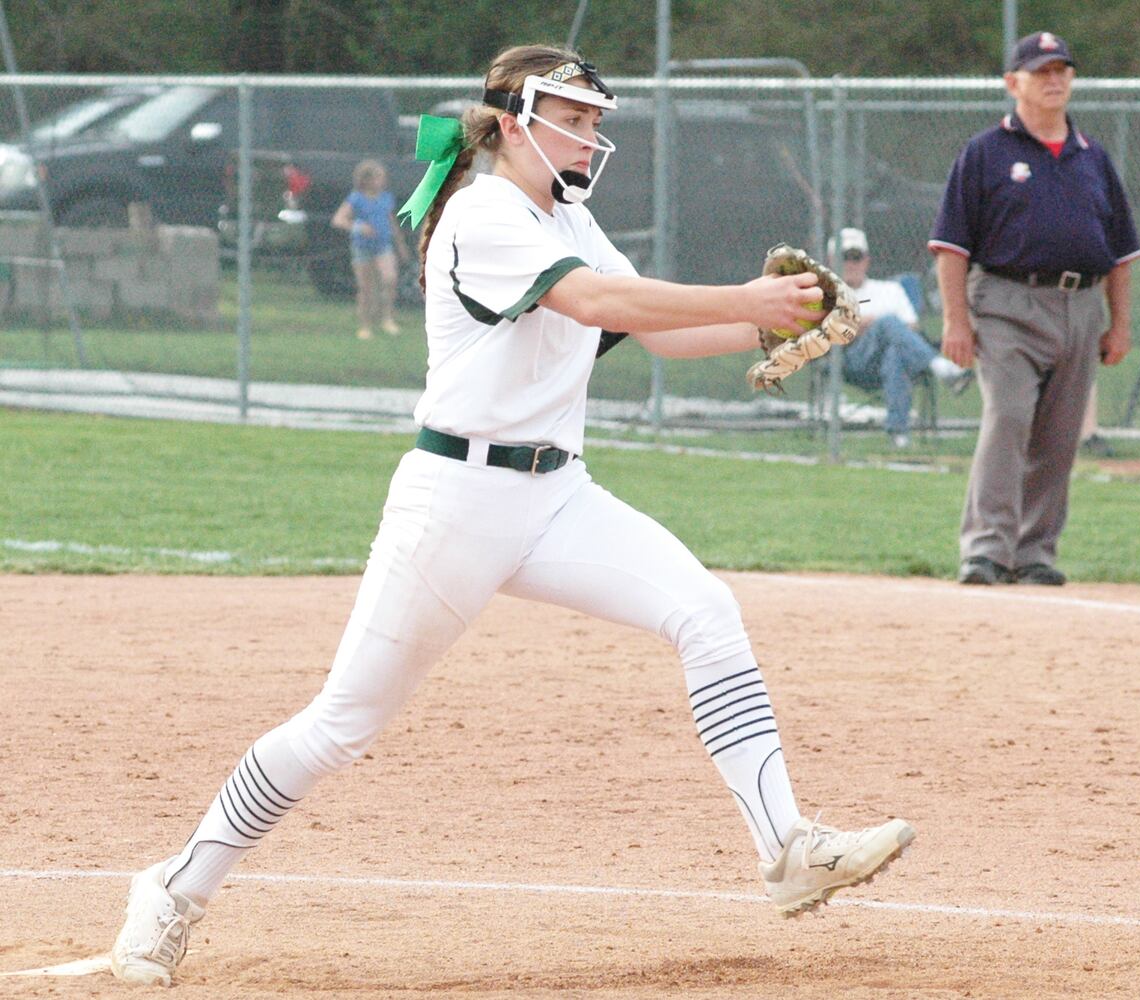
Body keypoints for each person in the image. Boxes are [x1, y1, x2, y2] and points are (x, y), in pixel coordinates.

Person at [110, 44, 914, 987]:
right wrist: (747, 296)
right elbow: (596, 297)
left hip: (555, 493)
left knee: (705, 611)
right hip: (455, 500)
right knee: (340, 724)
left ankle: (788, 849)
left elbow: (648, 326)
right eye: (572, 115)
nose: (589, 134)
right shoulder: (483, 212)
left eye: (594, 119)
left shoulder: (565, 210)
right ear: (512, 118)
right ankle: (171, 889)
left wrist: (780, 325)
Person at [929, 31, 1140, 587]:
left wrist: (1120, 323)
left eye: (1061, 70)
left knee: (1060, 434)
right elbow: (951, 248)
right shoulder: (986, 152)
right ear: (1012, 82)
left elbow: (1120, 254)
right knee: (1008, 418)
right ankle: (986, 549)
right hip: (1006, 302)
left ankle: (1034, 552)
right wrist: (956, 320)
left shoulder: (1092, 157)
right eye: (1041, 70)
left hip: (1081, 304)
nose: (1054, 79)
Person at [828, 227, 972, 448]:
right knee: (887, 322)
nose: (851, 264)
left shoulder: (890, 289)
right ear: (831, 261)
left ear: (866, 260)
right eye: (844, 257)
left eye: (856, 257)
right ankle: (941, 367)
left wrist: (864, 323)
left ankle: (899, 437)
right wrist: (874, 324)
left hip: (892, 360)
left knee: (895, 355)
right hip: (850, 362)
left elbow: (911, 327)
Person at [331, 158, 412, 339]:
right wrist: (359, 227)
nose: (381, 182)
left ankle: (387, 318)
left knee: (389, 279)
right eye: (377, 178)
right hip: (362, 247)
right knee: (366, 288)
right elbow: (339, 219)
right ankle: (365, 325)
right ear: (366, 180)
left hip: (383, 246)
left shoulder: (386, 198)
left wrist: (400, 244)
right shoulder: (356, 198)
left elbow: (391, 222)